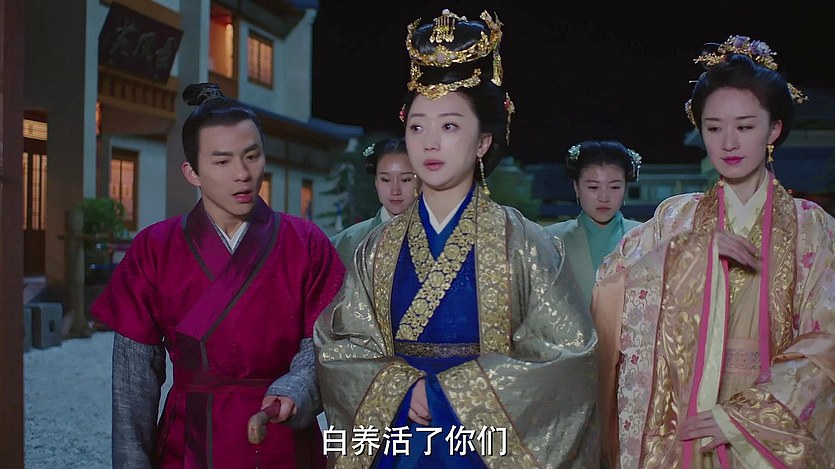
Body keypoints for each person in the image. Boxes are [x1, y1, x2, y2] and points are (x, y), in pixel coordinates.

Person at [314, 9, 598, 468]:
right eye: (417, 127)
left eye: (449, 126)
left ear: (483, 141)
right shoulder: (376, 248)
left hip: (484, 445)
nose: (429, 142)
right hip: (398, 437)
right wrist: (401, 388)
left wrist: (452, 395)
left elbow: (566, 354)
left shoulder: (527, 244)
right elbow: (341, 343)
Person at [592, 35, 835, 468]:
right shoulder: (675, 219)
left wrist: (746, 417)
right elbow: (610, 291)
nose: (728, 143)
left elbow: (827, 340)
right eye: (713, 128)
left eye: (745, 127)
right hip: (684, 416)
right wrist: (687, 254)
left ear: (773, 129)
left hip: (769, 423)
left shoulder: (812, 227)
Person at [90, 83, 346, 468]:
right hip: (190, 438)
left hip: (281, 428)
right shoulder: (154, 248)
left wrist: (296, 387)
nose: (242, 174)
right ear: (192, 172)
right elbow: (133, 380)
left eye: (252, 156)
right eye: (222, 162)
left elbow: (328, 344)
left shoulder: (306, 242)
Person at [545, 140, 642, 311]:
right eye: (593, 187)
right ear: (576, 187)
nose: (604, 197)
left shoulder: (646, 236)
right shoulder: (550, 239)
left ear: (625, 187)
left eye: (614, 187)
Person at [330, 136, 419, 266]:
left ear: (420, 181)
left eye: (405, 179)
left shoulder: (437, 237)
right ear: (376, 182)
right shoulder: (346, 243)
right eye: (385, 180)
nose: (395, 190)